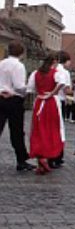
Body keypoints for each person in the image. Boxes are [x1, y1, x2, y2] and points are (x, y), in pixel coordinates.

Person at [27, 54, 65, 175]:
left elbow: (30, 88)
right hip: (51, 102)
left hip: (39, 101)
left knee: (38, 130)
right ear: (54, 61)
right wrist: (52, 92)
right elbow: (61, 83)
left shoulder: (35, 73)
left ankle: (40, 159)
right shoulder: (56, 72)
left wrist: (41, 92)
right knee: (51, 130)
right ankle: (46, 157)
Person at [0, 40, 35, 171]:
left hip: (1, 97)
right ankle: (21, 160)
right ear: (21, 53)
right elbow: (19, 86)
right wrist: (28, 89)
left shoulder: (1, 63)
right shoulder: (19, 66)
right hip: (14, 100)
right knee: (17, 131)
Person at [50, 50, 73, 168]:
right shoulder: (64, 72)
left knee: (50, 128)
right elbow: (66, 90)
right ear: (66, 60)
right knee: (59, 129)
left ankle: (49, 154)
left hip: (49, 101)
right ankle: (57, 156)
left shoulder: (52, 69)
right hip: (60, 101)